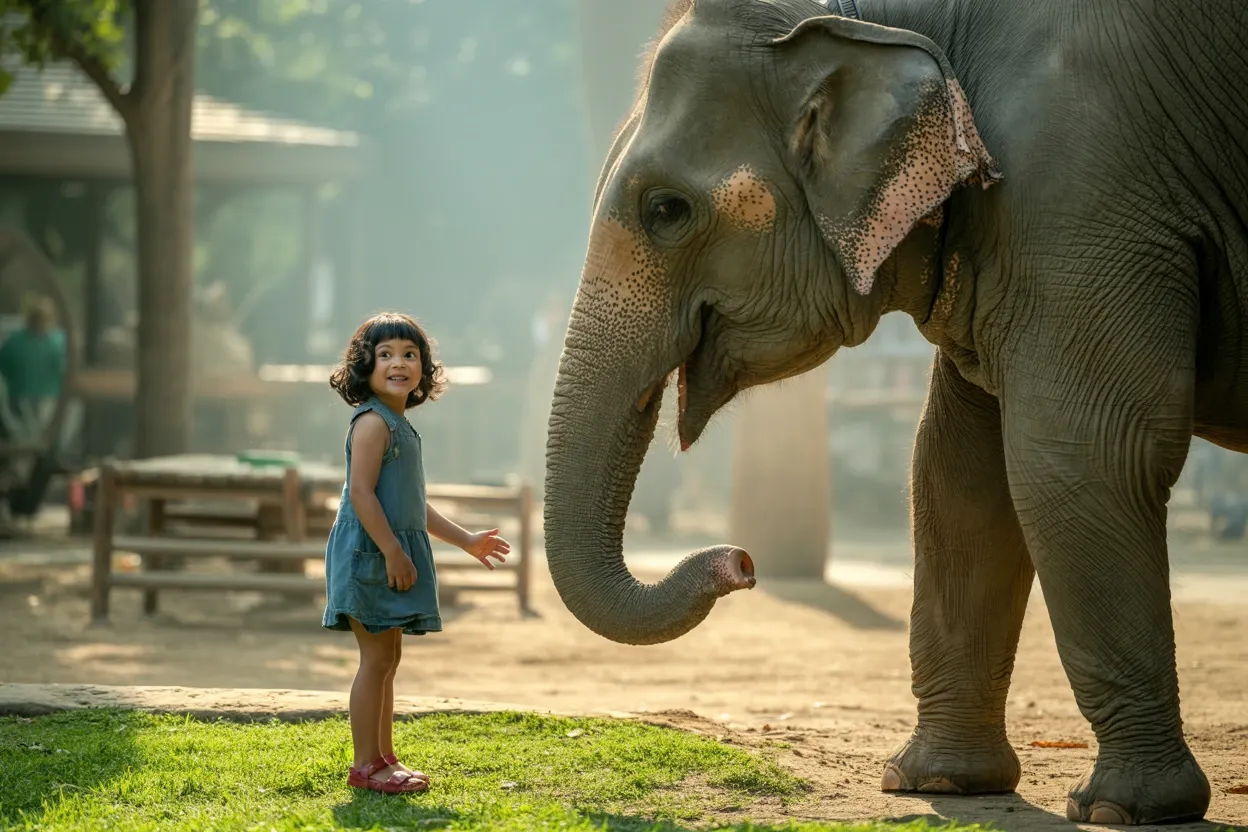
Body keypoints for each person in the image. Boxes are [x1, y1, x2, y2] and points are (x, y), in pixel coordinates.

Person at [324, 311, 510, 795]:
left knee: (387, 658)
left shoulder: (400, 426)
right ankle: (365, 765)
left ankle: (384, 757)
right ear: (364, 366)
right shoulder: (372, 423)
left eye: (410, 354)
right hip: (368, 554)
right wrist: (391, 551)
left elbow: (412, 503)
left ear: (424, 369)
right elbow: (361, 493)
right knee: (374, 660)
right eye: (385, 354)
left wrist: (466, 540)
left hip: (385, 551)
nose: (399, 363)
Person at [0, 297, 66, 442]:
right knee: (42, 440)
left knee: (24, 441)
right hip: (41, 401)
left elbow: (3, 368)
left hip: (28, 400)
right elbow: (65, 371)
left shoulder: (14, 341)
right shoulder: (59, 342)